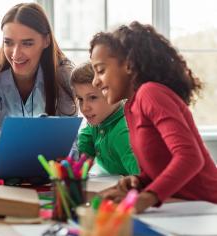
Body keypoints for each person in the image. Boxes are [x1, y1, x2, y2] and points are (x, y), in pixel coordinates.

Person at [90, 21, 217, 213]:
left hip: (208, 209)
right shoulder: (131, 108)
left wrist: (147, 197)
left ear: (129, 65)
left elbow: (190, 158)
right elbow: (160, 167)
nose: (95, 81)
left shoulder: (150, 93)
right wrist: (139, 182)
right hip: (184, 209)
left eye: (101, 70)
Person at [0, 2, 77, 125]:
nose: (16, 54)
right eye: (8, 42)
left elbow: (67, 135)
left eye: (27, 43)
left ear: (46, 41)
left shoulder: (64, 75)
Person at [71, 62, 139, 176]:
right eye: (80, 99)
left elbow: (143, 177)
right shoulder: (97, 123)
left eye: (92, 97)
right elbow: (82, 153)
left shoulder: (123, 132)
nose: (84, 108)